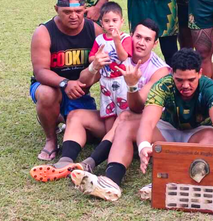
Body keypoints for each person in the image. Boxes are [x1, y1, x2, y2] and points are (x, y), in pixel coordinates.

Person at [71, 49, 213, 201]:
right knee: (126, 126)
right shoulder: (163, 85)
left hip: (198, 134)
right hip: (167, 130)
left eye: (191, 80)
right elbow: (148, 121)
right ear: (171, 73)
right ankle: (111, 180)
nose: (185, 85)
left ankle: (173, 181)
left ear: (200, 73)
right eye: (179, 80)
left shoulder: (210, 87)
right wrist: (143, 146)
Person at [30, 19, 170, 182]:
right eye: (138, 37)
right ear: (130, 36)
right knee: (75, 116)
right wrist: (93, 67)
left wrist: (132, 86)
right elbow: (85, 82)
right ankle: (65, 162)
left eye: (147, 39)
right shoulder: (115, 54)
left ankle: (89, 163)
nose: (141, 43)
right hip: (113, 120)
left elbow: (138, 107)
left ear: (155, 43)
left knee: (125, 116)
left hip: (138, 129)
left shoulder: (160, 70)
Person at [29, 0, 102, 161]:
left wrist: (86, 82)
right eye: (67, 12)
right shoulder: (44, 32)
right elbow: (40, 72)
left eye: (78, 11)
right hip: (51, 85)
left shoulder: (94, 29)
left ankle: (57, 117)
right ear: (56, 9)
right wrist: (65, 83)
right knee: (48, 94)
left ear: (85, 9)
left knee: (92, 136)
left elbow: (102, 67)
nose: (74, 16)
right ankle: (51, 140)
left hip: (79, 88)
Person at [89, 2, 132, 120]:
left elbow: (123, 57)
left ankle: (121, 136)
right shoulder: (99, 40)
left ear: (121, 21)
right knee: (108, 112)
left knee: (124, 111)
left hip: (122, 80)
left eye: (114, 20)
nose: (111, 24)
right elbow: (91, 58)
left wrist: (117, 41)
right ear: (101, 23)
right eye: (107, 21)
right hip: (105, 81)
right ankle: (108, 136)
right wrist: (98, 57)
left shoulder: (125, 38)